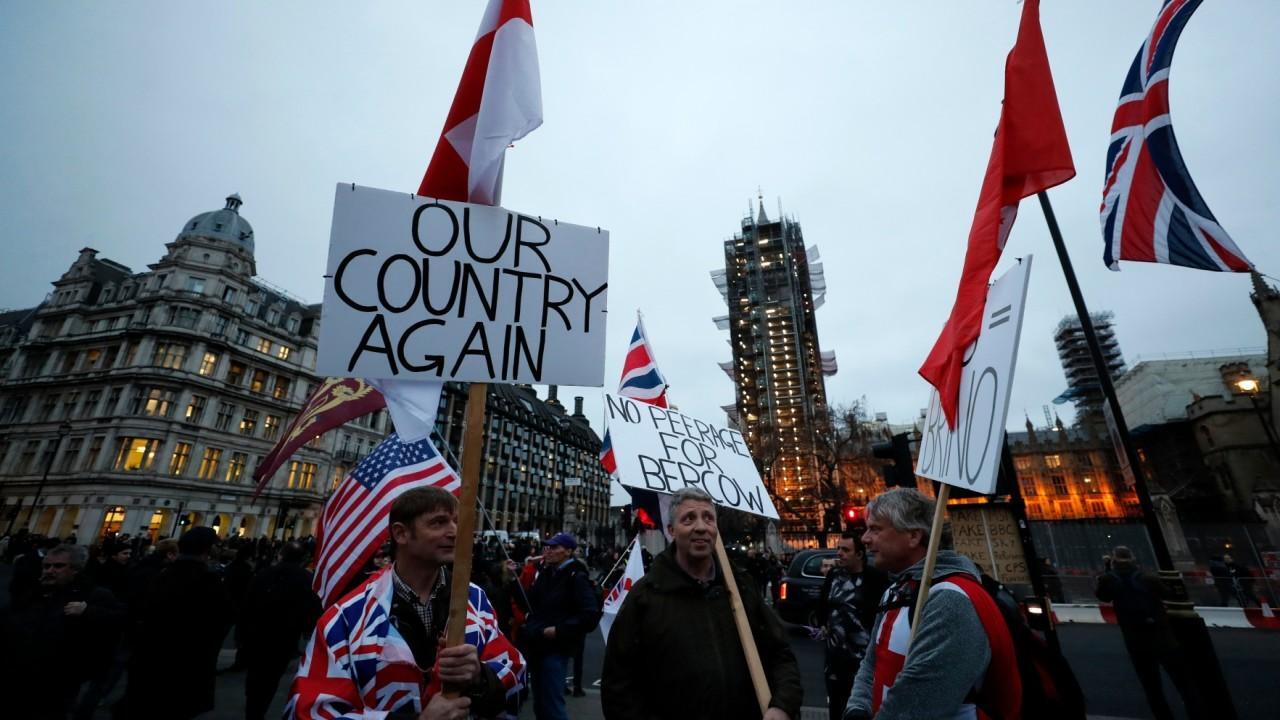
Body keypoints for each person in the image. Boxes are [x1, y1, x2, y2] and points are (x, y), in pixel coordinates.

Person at [286, 486, 524, 719]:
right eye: (438, 522)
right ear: (401, 533)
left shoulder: (475, 599)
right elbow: (311, 709)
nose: (454, 531)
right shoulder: (347, 616)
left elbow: (517, 676)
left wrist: (480, 677)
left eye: (456, 522)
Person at [602, 487, 802, 720]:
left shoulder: (741, 587)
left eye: (708, 518)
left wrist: (781, 707)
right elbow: (618, 687)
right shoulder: (645, 597)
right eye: (689, 519)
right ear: (671, 530)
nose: (700, 527)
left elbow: (781, 655)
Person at [843, 488, 1020, 720]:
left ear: (913, 536)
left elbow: (919, 701)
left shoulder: (950, 599)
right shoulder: (897, 591)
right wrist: (857, 708)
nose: (865, 539)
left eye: (875, 529)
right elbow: (871, 662)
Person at [0, 543, 125, 719]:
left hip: (57, 683)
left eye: (58, 566)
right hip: (17, 676)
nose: (50, 571)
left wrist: (88, 612)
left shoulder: (92, 595)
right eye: (46, 566)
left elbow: (121, 619)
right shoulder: (32, 593)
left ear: (75, 569)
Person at [118, 526, 231, 719]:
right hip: (185, 670)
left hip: (147, 664)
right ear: (209, 550)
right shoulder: (209, 582)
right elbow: (219, 625)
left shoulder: (161, 575)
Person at [1095, 545, 1200, 720]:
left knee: (1151, 687)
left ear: (1113, 559)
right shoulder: (1148, 577)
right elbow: (1169, 594)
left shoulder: (1109, 579)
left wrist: (1106, 570)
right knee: (1184, 684)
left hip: (1135, 639)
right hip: (1162, 636)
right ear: (1133, 558)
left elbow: (1103, 596)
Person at [522, 532, 598, 719]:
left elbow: (590, 614)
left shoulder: (576, 576)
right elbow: (530, 603)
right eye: (548, 546)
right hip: (537, 643)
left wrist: (559, 630)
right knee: (540, 704)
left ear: (568, 551)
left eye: (555, 547)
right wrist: (513, 580)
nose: (549, 551)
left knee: (553, 706)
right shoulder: (547, 573)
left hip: (555, 648)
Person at [817, 532, 887, 720]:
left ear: (860, 554)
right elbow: (823, 604)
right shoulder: (833, 575)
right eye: (838, 548)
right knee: (836, 709)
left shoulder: (875, 578)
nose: (839, 553)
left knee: (859, 710)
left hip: (862, 662)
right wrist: (823, 624)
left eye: (845, 550)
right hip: (834, 661)